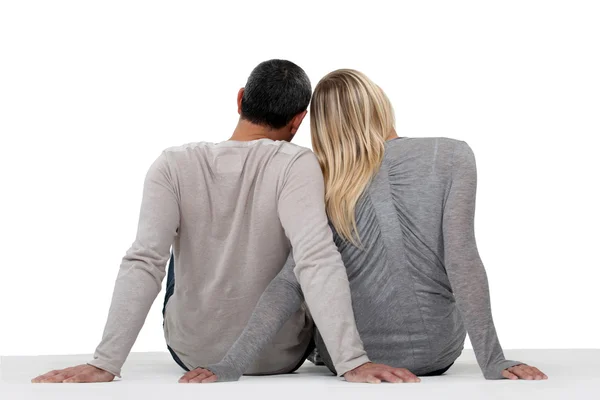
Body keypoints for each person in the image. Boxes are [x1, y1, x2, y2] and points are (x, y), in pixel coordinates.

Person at [31, 60, 410, 384]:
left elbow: (144, 262)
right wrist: (351, 362)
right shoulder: (298, 163)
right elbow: (316, 259)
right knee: (305, 249)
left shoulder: (172, 164)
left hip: (193, 355)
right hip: (280, 355)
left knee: (164, 250)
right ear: (298, 121)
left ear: (241, 99)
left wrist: (105, 362)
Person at [180, 69, 549, 383]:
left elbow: (290, 282)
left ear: (319, 125)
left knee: (303, 267)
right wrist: (493, 360)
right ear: (379, 100)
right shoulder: (452, 155)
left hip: (346, 358)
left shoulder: (322, 178)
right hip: (438, 351)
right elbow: (462, 258)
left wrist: (232, 364)